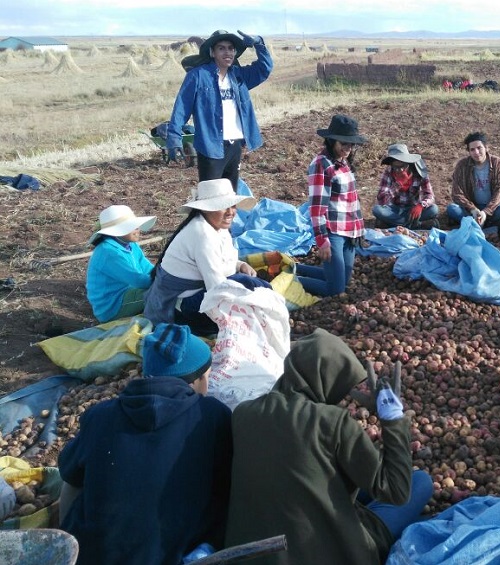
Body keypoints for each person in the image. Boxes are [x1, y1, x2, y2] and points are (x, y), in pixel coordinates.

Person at [225, 328, 433, 565]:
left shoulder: (243, 413)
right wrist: (393, 421)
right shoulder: (332, 421)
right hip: (324, 551)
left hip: (249, 552)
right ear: (329, 379)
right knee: (420, 482)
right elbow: (396, 491)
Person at [59, 323, 233, 565]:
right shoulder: (213, 415)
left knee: (73, 481)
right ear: (197, 380)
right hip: (177, 555)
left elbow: (69, 474)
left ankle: (67, 546)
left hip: (97, 556)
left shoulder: (100, 415)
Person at [144, 178, 267, 335]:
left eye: (232, 206)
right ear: (207, 209)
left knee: (245, 284)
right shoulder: (202, 234)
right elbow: (217, 288)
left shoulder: (218, 227)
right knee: (244, 284)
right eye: (223, 207)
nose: (230, 212)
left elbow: (224, 258)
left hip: (197, 291)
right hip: (179, 305)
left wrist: (240, 265)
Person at [166, 29, 273, 189]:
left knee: (230, 195)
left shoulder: (239, 76)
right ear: (212, 52)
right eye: (221, 48)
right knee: (210, 197)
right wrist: (174, 138)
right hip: (210, 145)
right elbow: (182, 107)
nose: (227, 52)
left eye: (231, 48)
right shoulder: (197, 76)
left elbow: (265, 68)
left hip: (235, 144)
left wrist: (258, 43)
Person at [296, 114, 367, 296]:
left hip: (349, 230)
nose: (348, 148)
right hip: (333, 230)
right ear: (331, 140)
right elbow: (317, 208)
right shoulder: (321, 164)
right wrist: (322, 240)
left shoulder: (342, 161)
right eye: (343, 143)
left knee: (342, 280)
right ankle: (291, 279)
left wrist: (360, 230)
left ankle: (296, 269)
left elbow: (351, 199)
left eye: (351, 144)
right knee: (336, 289)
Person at [85, 205, 156, 323]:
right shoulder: (109, 252)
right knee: (161, 293)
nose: (138, 228)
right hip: (112, 306)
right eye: (132, 226)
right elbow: (139, 280)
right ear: (117, 231)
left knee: (163, 289)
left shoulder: (131, 245)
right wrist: (166, 280)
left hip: (126, 294)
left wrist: (161, 274)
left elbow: (147, 268)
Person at [447, 132, 500, 229]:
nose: (476, 152)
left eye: (479, 148)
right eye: (472, 149)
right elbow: (457, 193)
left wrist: (485, 212)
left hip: (492, 208)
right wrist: (473, 209)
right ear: (469, 151)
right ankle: (481, 223)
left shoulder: (497, 163)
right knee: (452, 208)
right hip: (471, 208)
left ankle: (475, 224)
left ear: (486, 148)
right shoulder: (462, 165)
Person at [372, 143, 440, 230]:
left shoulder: (419, 171)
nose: (400, 170)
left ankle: (394, 224)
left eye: (402, 166)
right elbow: (382, 200)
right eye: (396, 167)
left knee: (434, 209)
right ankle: (416, 225)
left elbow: (429, 195)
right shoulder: (388, 172)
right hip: (394, 209)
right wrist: (398, 184)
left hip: (413, 209)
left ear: (407, 163)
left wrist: (421, 205)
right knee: (377, 210)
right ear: (392, 164)